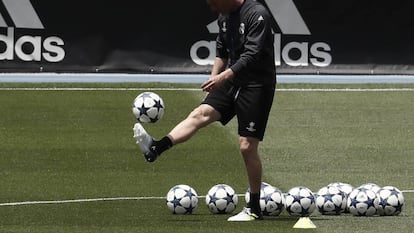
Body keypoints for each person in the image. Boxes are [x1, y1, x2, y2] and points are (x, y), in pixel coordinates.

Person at [133, 0, 276, 221]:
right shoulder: (224, 17)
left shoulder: (256, 14)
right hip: (230, 80)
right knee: (199, 114)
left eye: (213, 3)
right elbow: (222, 52)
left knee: (247, 146)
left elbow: (251, 55)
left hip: (257, 85)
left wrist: (222, 77)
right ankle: (156, 148)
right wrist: (214, 79)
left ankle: (254, 208)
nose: (212, 9)